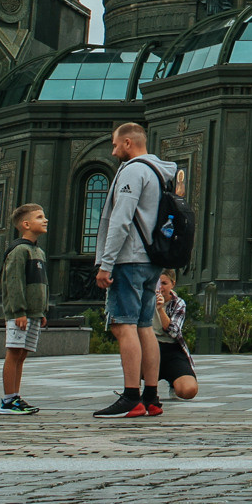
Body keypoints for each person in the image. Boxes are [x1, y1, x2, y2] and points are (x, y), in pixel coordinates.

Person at [93, 122, 179, 419]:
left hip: (128, 259)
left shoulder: (132, 170)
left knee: (123, 325)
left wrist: (106, 263)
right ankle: (151, 396)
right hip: (152, 260)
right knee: (144, 326)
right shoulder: (160, 172)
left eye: (115, 144)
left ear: (128, 142)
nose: (114, 150)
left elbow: (121, 220)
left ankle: (131, 397)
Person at [0, 202, 49, 415]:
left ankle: (15, 396)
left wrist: (42, 311)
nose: (45, 220)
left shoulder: (39, 252)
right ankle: (8, 401)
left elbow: (41, 283)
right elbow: (14, 281)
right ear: (26, 224)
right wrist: (18, 311)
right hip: (21, 314)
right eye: (39, 217)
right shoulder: (19, 250)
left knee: (22, 354)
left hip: (34, 314)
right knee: (14, 352)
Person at [153, 270, 199, 401]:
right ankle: (138, 389)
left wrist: (160, 309)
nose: (160, 288)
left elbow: (173, 332)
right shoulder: (145, 299)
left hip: (171, 350)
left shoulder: (178, 303)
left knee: (188, 390)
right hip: (150, 347)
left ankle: (174, 382)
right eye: (157, 284)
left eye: (164, 283)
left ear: (172, 284)